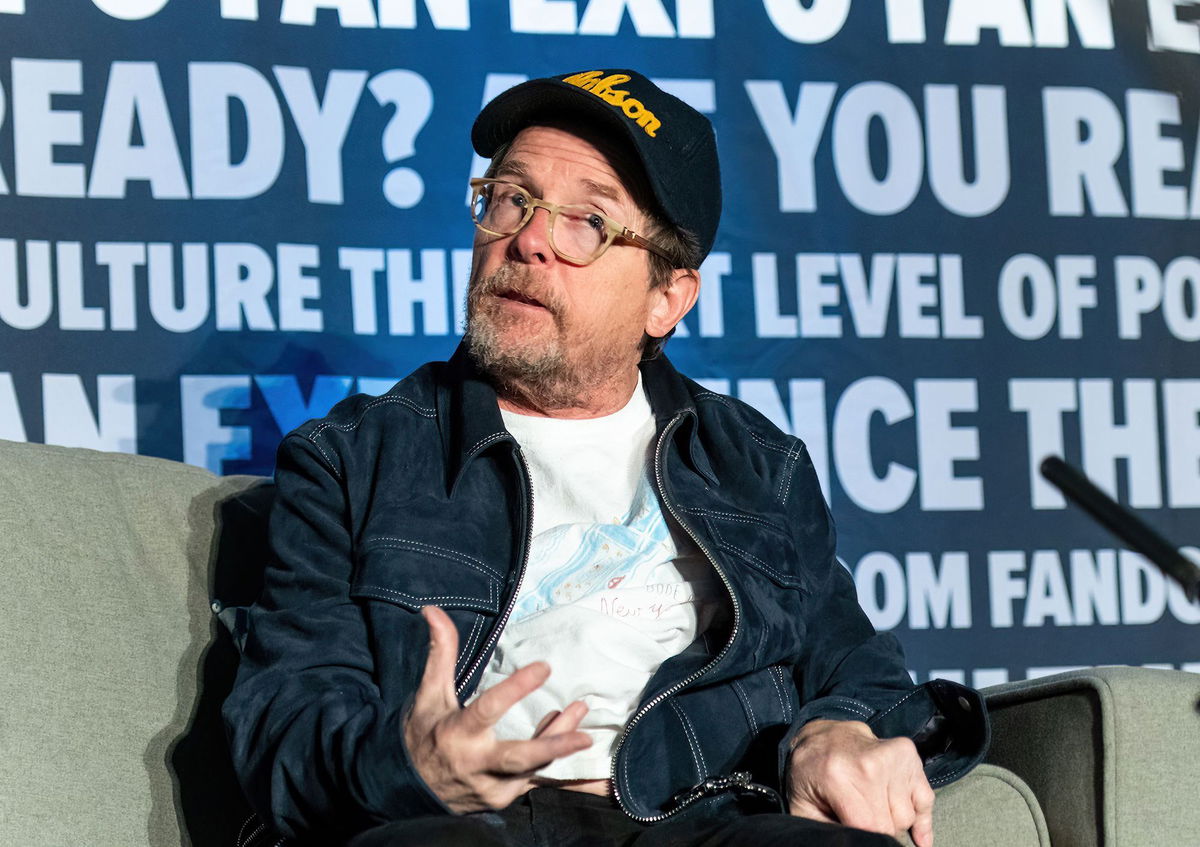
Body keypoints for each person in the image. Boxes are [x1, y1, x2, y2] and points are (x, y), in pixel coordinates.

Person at [223, 69, 988, 847]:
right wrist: (408, 763)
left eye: (587, 220)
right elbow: (282, 726)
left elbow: (857, 666)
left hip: (702, 823)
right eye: (511, 198)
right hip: (467, 826)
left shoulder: (759, 467)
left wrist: (837, 729)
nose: (528, 239)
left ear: (668, 298)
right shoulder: (353, 459)